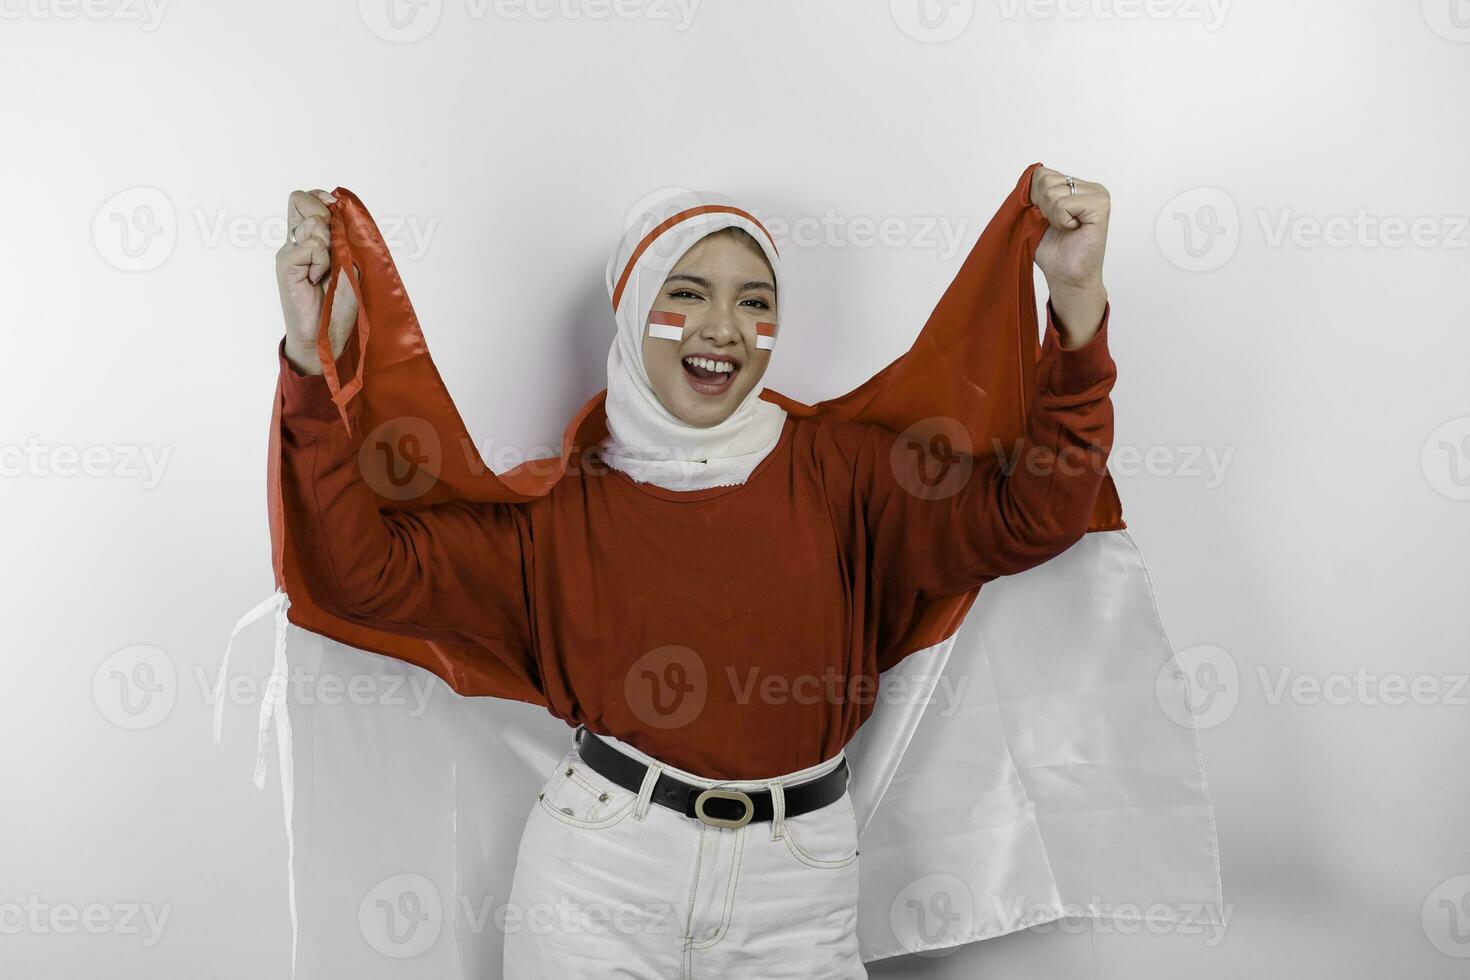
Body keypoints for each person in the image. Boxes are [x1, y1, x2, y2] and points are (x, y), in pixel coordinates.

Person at [271, 167, 1116, 978]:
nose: (726, 327)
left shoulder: (846, 473)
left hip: (803, 880)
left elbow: (1031, 518)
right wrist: (315, 367)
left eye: (756, 301)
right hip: (600, 879)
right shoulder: (560, 513)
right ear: (635, 310)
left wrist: (1075, 308)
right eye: (688, 293)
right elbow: (363, 577)